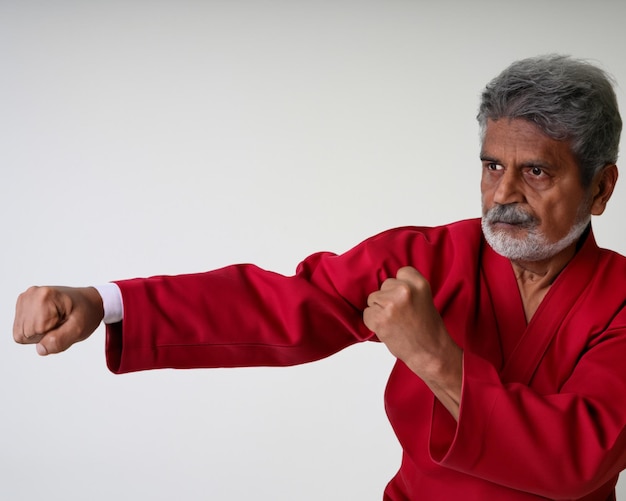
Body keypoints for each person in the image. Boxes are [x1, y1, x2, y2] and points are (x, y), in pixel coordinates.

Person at [13, 54, 626, 500]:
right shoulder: (432, 258)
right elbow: (282, 304)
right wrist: (105, 303)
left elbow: (582, 458)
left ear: (600, 187)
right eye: (493, 166)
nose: (504, 194)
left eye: (537, 173)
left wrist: (438, 359)